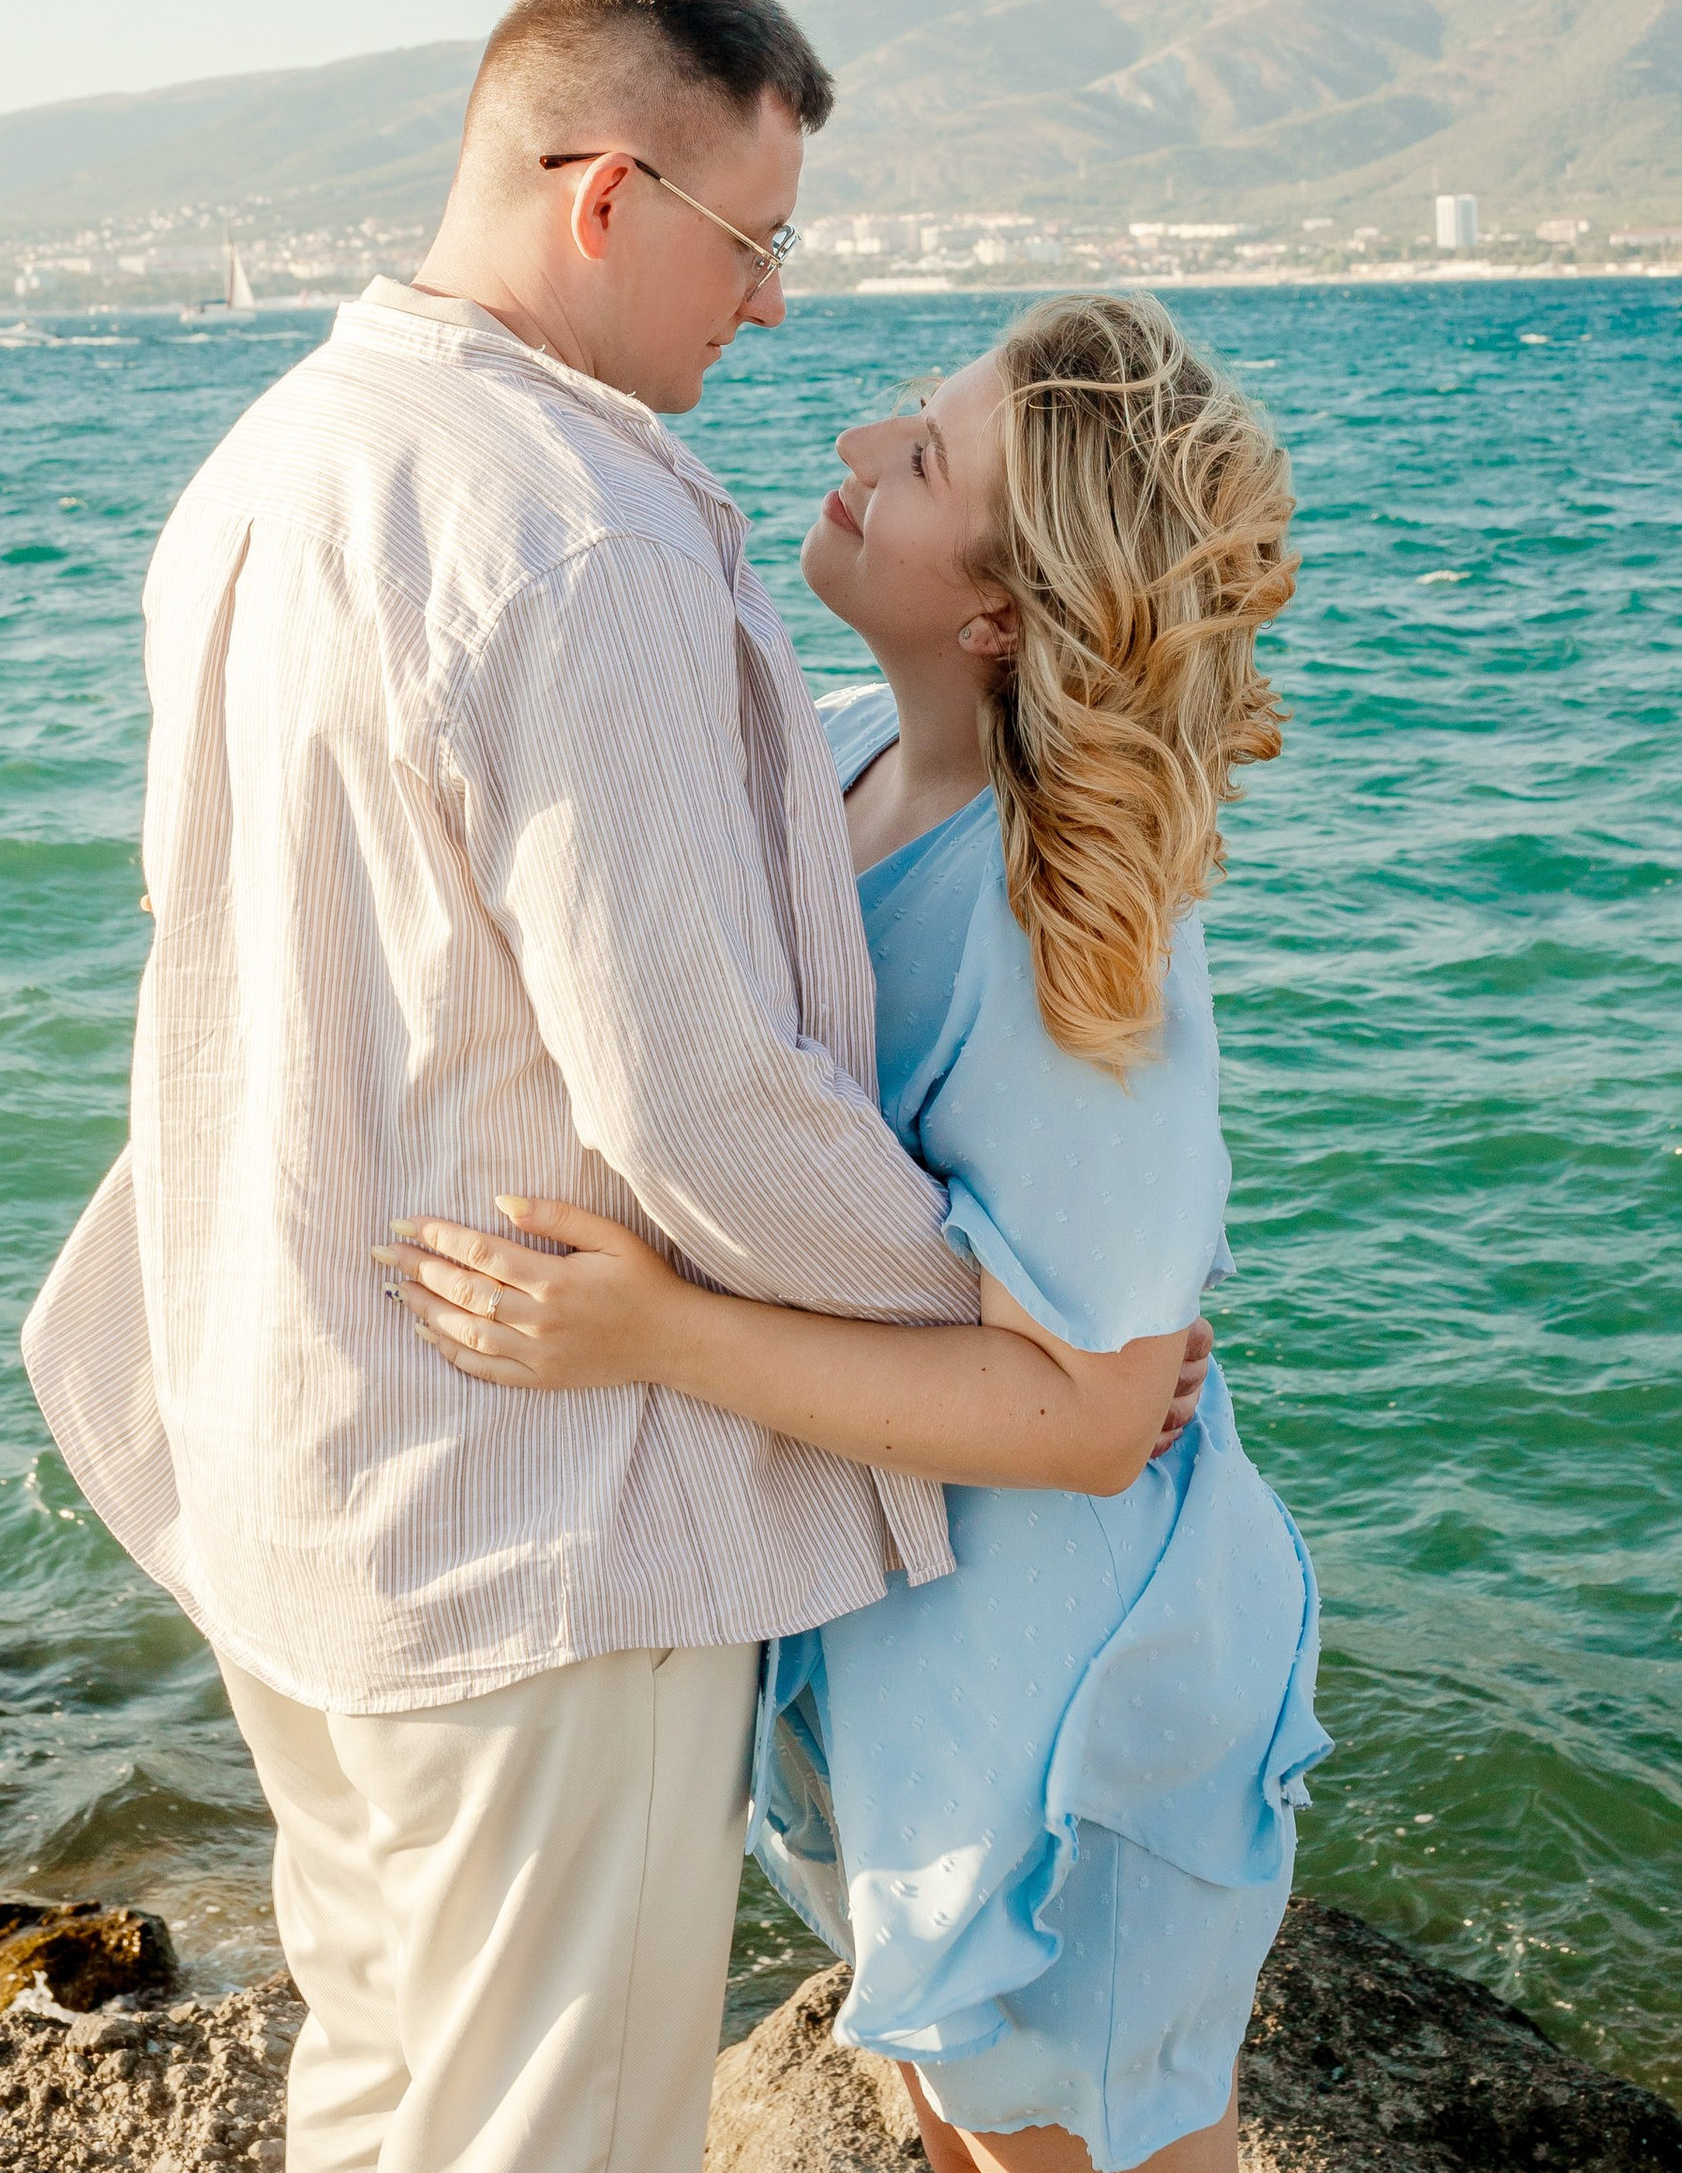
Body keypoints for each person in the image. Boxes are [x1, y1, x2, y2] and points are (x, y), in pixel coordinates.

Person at [21, 0, 1199, 2173]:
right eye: (752, 244)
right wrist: (1004, 1353)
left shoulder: (281, 459)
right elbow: (699, 1093)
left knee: (382, 2093)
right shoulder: (576, 536)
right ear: (603, 201)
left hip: (296, 1451)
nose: (766, 308)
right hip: (519, 1518)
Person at [388, 289, 1329, 2173]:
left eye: (920, 458)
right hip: (900, 1656)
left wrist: (653, 1336)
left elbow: (1092, 1415)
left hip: (1067, 1697)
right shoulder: (826, 758)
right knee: (957, 2121)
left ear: (997, 610)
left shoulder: (1069, 937)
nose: (853, 451)